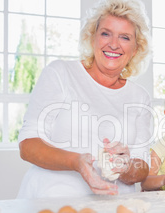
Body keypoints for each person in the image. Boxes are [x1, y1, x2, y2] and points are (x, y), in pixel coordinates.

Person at [17, 0, 153, 198]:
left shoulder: (140, 97)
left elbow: (142, 168)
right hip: (51, 202)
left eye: (124, 37)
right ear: (92, 38)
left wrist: (125, 167)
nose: (113, 44)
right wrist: (76, 162)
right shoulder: (61, 73)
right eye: (106, 33)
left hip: (115, 208)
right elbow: (28, 146)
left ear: (136, 48)